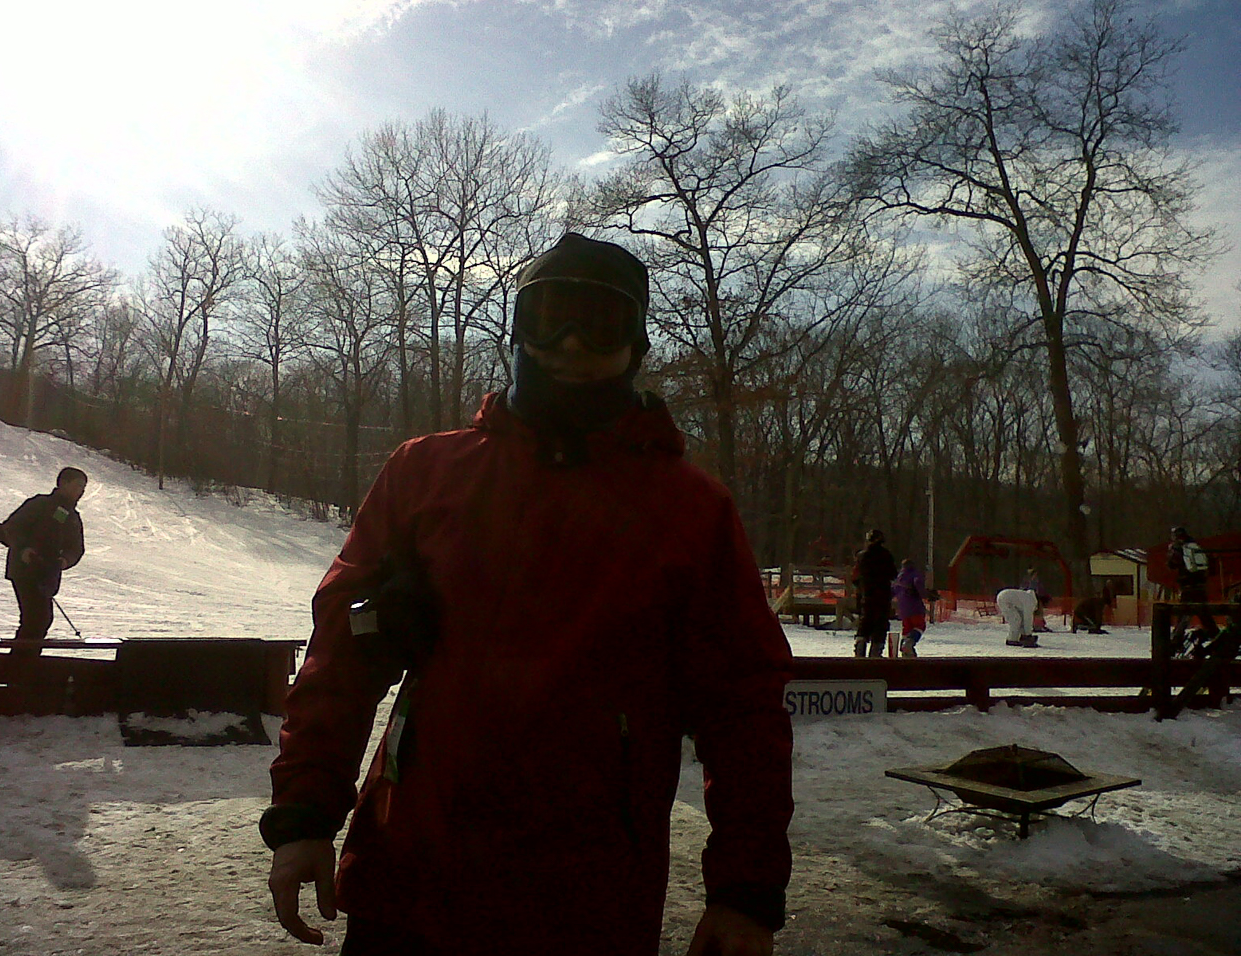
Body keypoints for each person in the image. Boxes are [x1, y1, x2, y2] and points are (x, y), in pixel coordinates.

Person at [263, 233, 794, 956]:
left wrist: (745, 891)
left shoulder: (689, 509)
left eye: (600, 321)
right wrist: (303, 817)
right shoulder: (427, 474)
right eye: (551, 317)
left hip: (584, 902)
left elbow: (743, 707)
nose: (572, 344)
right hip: (413, 876)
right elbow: (341, 656)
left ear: (636, 345)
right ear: (518, 329)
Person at [3, 467, 87, 651]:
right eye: (78, 486)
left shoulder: (72, 516)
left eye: (83, 488)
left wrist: (64, 560)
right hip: (26, 569)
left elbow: (76, 548)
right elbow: (11, 527)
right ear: (63, 483)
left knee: (41, 619)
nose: (80, 492)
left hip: (48, 573)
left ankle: (22, 665)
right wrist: (24, 549)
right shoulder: (40, 504)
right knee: (37, 618)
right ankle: (18, 667)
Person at [852, 529, 896, 658]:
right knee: (880, 624)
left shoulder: (861, 556)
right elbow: (893, 574)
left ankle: (859, 648)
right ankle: (876, 653)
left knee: (865, 621)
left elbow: (855, 577)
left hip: (866, 595)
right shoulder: (886, 555)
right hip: (882, 595)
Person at [1168, 525, 1217, 641]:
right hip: (1200, 585)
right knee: (1205, 614)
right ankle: (1216, 636)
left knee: (1183, 614)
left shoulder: (1180, 548)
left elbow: (1171, 564)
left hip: (1187, 586)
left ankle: (1176, 640)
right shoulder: (1196, 546)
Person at [891, 558, 928, 657]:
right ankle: (908, 643)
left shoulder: (898, 577)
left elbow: (892, 591)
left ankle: (904, 648)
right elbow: (918, 585)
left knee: (907, 628)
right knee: (919, 626)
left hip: (903, 608)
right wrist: (925, 594)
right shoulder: (914, 574)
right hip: (914, 606)